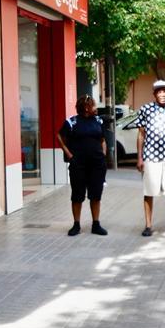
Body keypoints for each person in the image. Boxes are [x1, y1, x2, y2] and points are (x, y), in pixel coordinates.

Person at [132, 81, 165, 238]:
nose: (162, 94)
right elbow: (141, 134)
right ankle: (148, 225)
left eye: (164, 91)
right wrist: (139, 157)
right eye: (159, 92)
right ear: (154, 94)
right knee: (149, 191)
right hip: (150, 156)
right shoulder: (145, 110)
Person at [58, 95, 108, 237]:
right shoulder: (71, 122)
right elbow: (59, 136)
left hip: (97, 165)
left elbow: (102, 139)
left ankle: (96, 224)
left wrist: (103, 154)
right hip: (78, 165)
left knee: (96, 195)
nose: (96, 108)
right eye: (93, 105)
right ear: (86, 108)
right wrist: (69, 154)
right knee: (77, 195)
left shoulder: (98, 121)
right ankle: (76, 224)